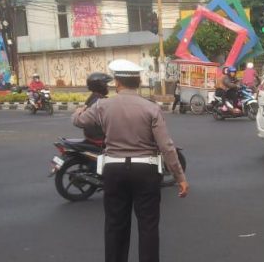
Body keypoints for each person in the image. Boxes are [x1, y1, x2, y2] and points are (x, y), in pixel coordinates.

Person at [72, 59, 188, 262]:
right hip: (146, 171)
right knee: (148, 226)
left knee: (115, 225)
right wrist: (180, 177)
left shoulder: (103, 105)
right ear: (139, 81)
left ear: (117, 82)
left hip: (114, 171)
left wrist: (80, 108)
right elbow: (166, 146)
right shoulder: (151, 108)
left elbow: (78, 121)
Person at [83, 72, 113, 145]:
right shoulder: (100, 102)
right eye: (106, 84)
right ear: (100, 86)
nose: (107, 86)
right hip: (100, 138)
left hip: (92, 136)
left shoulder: (93, 98)